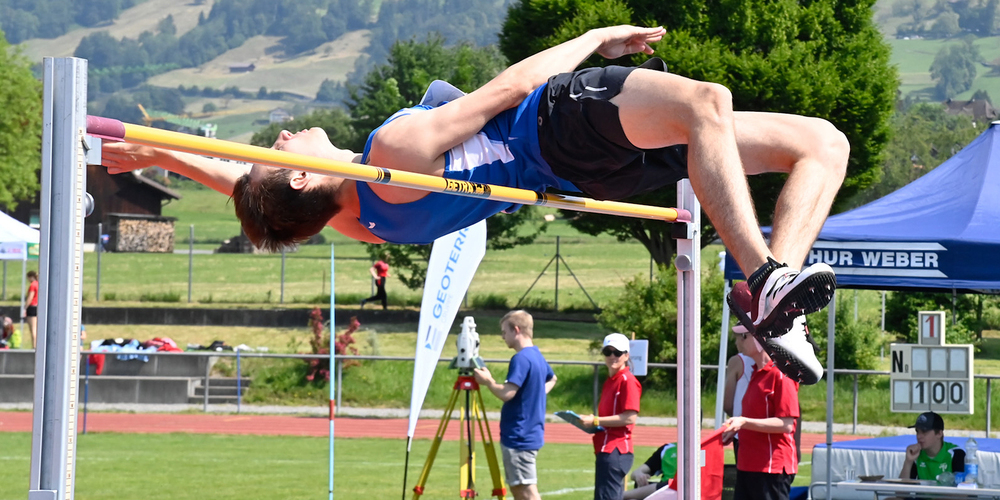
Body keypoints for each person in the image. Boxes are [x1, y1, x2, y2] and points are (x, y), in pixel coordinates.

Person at [102, 25, 846, 384]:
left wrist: (166, 152)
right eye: (285, 143)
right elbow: (512, 88)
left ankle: (775, 293)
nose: (286, 133)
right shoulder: (393, 151)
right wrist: (592, 39)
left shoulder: (363, 215)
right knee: (707, 102)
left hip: (587, 170)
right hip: (559, 121)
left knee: (823, 144)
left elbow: (245, 189)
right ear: (297, 174)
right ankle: (766, 278)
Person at [472, 310, 557, 500]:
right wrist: (533, 394)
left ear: (516, 330)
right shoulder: (537, 355)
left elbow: (507, 393)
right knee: (519, 488)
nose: (503, 337)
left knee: (526, 491)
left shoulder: (521, 358)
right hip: (529, 431)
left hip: (520, 433)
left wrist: (488, 381)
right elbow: (553, 379)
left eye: (504, 332)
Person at [721, 316, 803, 500]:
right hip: (748, 465)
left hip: (771, 468)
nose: (737, 342)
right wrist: (735, 428)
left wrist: (743, 422)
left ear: (758, 338)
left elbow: (786, 423)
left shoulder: (781, 373)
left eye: (742, 337)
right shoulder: (756, 374)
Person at [578, 333, 642, 500]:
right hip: (606, 449)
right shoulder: (611, 380)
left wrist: (596, 420)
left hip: (616, 450)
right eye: (608, 352)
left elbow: (629, 417)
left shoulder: (627, 381)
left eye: (617, 352)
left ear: (626, 355)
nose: (612, 356)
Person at [722, 324, 756, 463]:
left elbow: (728, 404)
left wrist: (737, 419)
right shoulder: (780, 359)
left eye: (737, 338)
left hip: (743, 432)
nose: (736, 343)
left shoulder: (737, 361)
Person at [899, 411, 965, 481]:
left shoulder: (956, 454)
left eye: (924, 432)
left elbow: (964, 487)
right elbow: (901, 491)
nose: (919, 436)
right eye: (917, 431)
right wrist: (908, 461)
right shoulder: (916, 454)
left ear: (939, 434)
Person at [22, 270, 38, 349]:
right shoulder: (39, 284)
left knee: (33, 328)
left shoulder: (33, 285)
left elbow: (30, 297)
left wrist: (25, 307)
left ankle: (34, 346)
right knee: (37, 327)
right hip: (38, 306)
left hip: (32, 307)